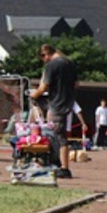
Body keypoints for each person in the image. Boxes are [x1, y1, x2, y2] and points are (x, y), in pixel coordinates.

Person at [29, 44, 80, 179]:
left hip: (56, 103)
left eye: (43, 58)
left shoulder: (51, 66)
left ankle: (62, 166)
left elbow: (43, 87)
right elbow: (76, 84)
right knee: (60, 133)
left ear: (45, 55)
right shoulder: (69, 63)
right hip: (67, 102)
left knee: (55, 135)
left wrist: (33, 95)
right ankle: (60, 163)